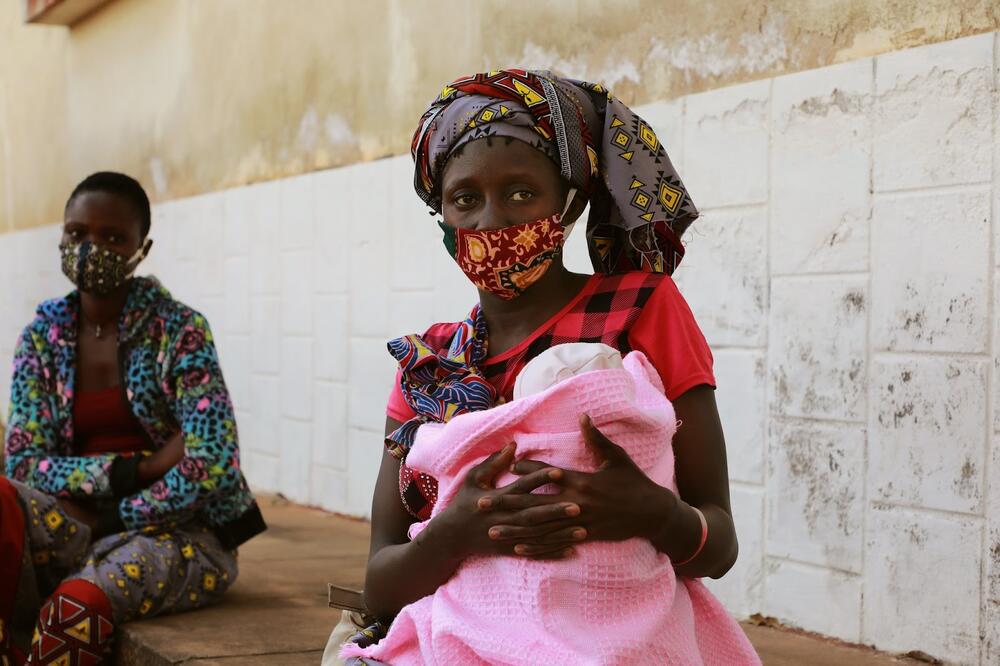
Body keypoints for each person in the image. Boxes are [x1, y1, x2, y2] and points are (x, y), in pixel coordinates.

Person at [337, 69, 757, 664]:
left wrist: (653, 512)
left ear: (570, 201)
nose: (492, 221)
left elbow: (719, 546)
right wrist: (454, 533)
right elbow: (381, 581)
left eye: (519, 193)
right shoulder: (428, 367)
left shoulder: (642, 309)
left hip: (617, 638)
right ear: (442, 218)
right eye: (464, 199)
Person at [1, 172, 266, 665]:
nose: (90, 249)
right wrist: (135, 470)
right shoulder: (41, 337)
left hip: (180, 532)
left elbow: (211, 464)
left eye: (112, 237)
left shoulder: (180, 330)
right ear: (60, 235)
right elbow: (22, 463)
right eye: (77, 234)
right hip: (69, 521)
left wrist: (113, 514)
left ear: (141, 248)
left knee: (73, 611)